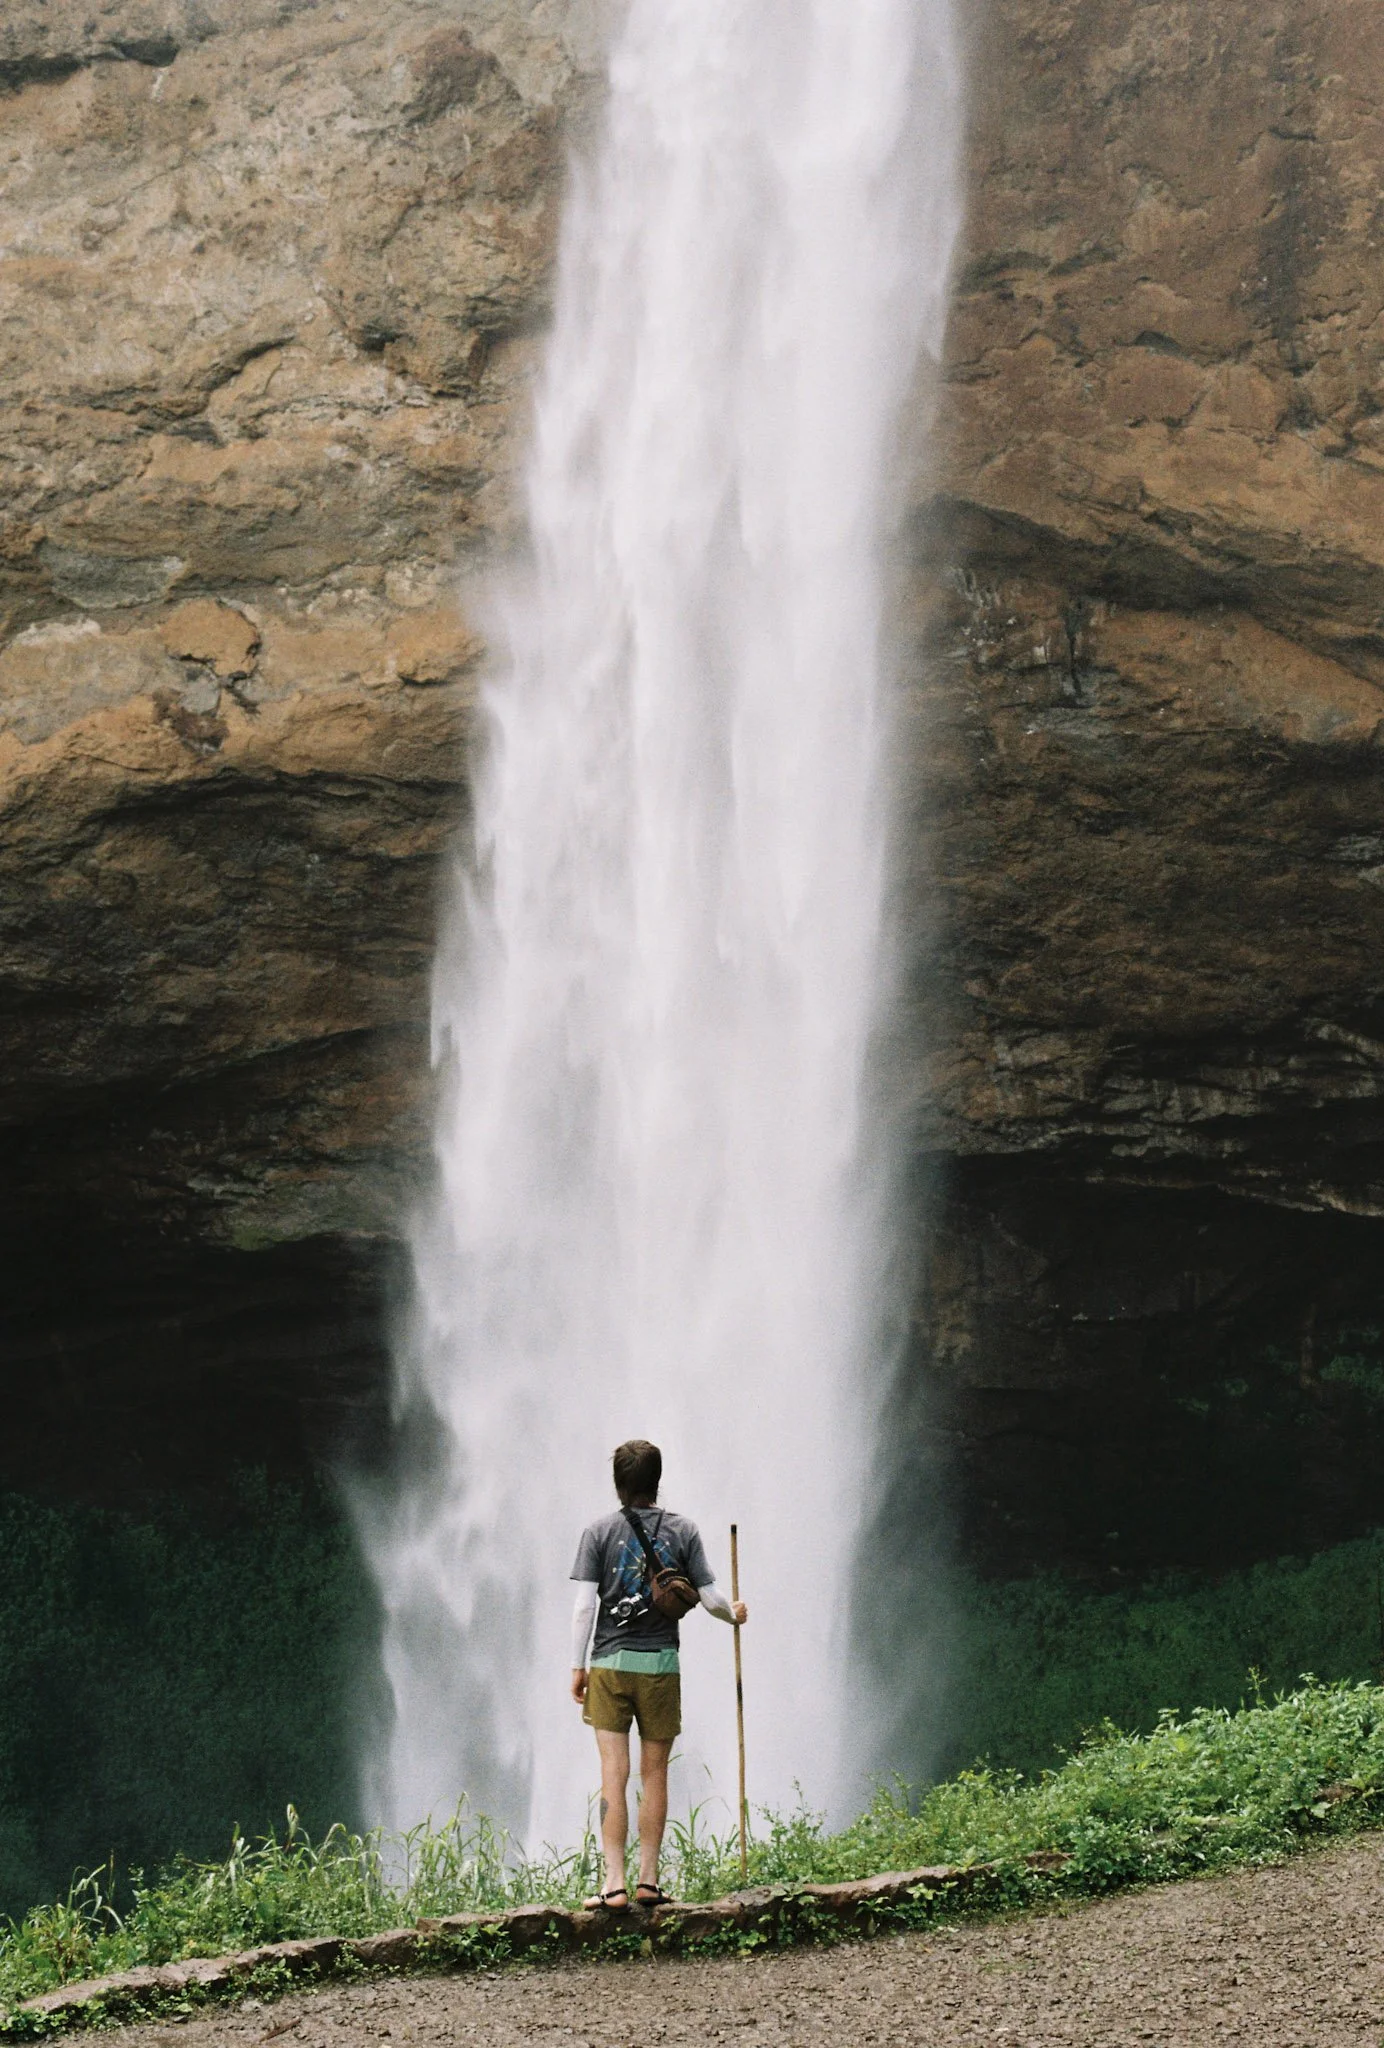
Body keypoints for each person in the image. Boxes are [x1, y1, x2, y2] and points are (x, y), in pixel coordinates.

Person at [570, 1438, 748, 1908]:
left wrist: (577, 1666)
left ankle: (614, 1884)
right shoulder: (683, 1530)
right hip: (660, 1668)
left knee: (613, 1772)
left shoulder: (597, 1533)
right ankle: (648, 1881)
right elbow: (708, 1598)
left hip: (608, 1666)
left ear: (617, 1483)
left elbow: (585, 1606)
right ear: (657, 1480)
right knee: (654, 1775)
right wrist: (734, 1613)